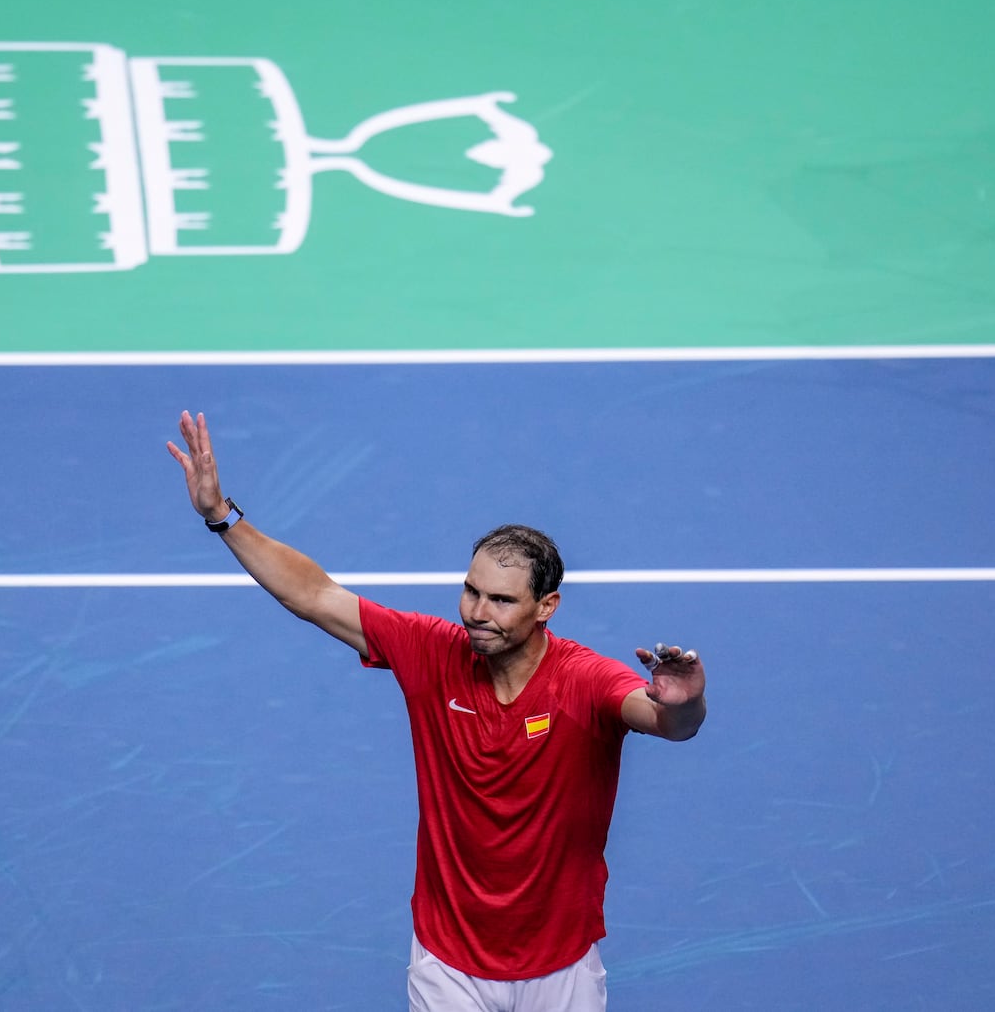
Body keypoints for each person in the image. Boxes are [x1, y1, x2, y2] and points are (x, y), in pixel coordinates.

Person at [166, 410, 707, 1012]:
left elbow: (663, 721)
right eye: (472, 591)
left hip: (562, 966)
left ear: (547, 605)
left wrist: (687, 704)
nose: (478, 612)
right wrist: (223, 517)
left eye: (502, 601)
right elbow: (317, 595)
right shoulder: (432, 651)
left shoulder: (583, 678)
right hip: (448, 965)